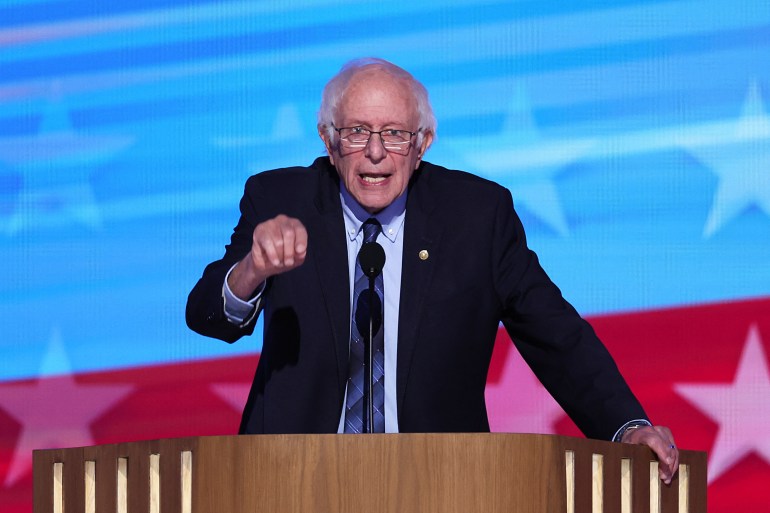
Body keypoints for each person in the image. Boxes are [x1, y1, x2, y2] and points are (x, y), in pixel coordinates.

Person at [186, 57, 679, 483]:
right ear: (328, 140)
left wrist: (625, 426)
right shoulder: (280, 199)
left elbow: (556, 336)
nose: (375, 152)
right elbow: (205, 315)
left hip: (442, 484)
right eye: (357, 132)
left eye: (395, 135)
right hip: (289, 480)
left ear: (423, 143)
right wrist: (251, 269)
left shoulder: (476, 217)